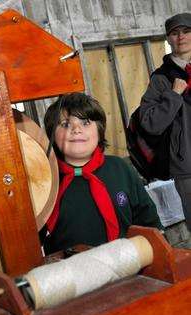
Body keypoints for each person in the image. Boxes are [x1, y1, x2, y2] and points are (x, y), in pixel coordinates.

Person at [40, 92, 162, 255]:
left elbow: (148, 221)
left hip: (128, 267)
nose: (76, 130)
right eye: (65, 124)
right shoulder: (43, 183)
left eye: (85, 122)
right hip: (70, 275)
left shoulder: (120, 168)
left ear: (99, 130)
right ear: (52, 134)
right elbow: (30, 242)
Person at [139, 13, 191, 245]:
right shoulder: (161, 79)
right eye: (175, 32)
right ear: (168, 39)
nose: (181, 37)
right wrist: (173, 95)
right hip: (188, 167)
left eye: (187, 31)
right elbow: (150, 123)